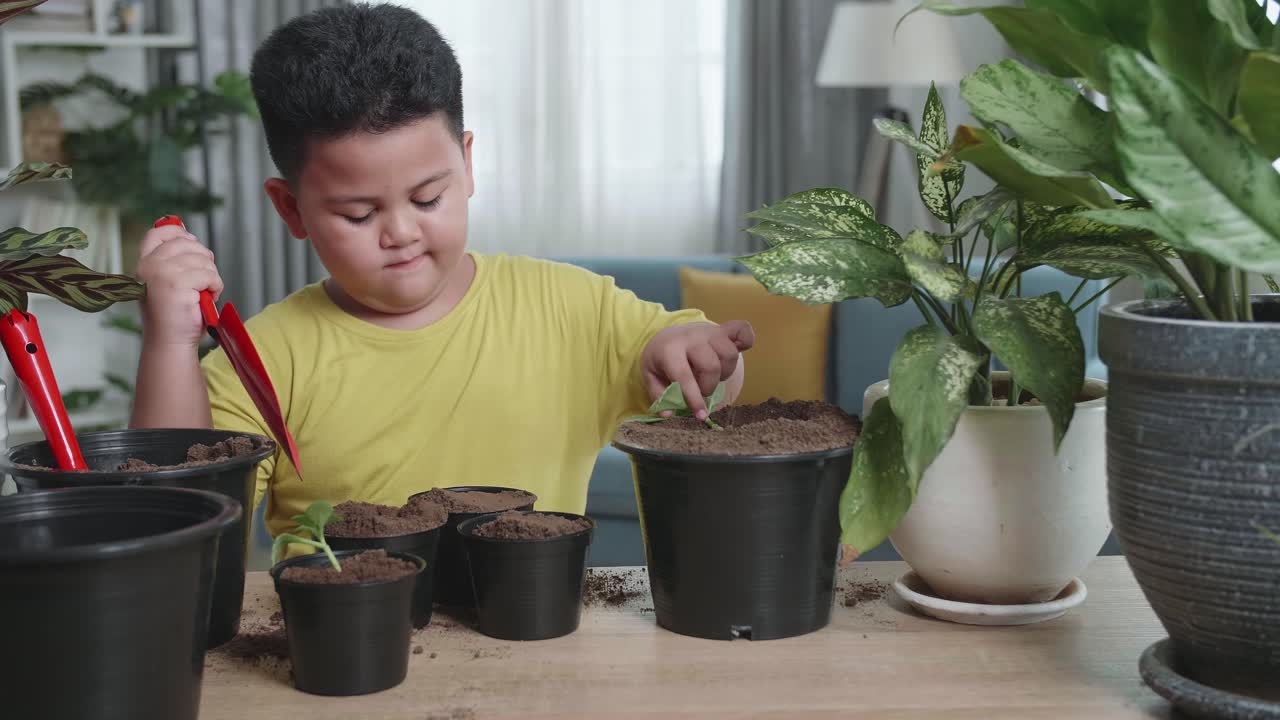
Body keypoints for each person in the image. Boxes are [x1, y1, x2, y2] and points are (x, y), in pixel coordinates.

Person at [129, 2, 752, 540]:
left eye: (428, 199)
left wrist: (695, 356)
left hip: (533, 647)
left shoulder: (571, 307)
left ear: (469, 164)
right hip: (343, 656)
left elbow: (703, 380)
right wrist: (170, 343)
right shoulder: (263, 358)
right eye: (357, 212)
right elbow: (175, 527)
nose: (401, 232)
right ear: (292, 208)